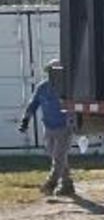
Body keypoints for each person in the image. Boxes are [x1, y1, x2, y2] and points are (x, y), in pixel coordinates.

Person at [18, 60, 74, 197]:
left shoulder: (68, 87)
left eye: (56, 72)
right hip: (48, 127)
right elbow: (33, 104)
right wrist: (26, 120)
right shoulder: (42, 87)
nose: (53, 74)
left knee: (59, 157)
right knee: (55, 155)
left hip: (64, 127)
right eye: (51, 71)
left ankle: (51, 183)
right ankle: (67, 184)